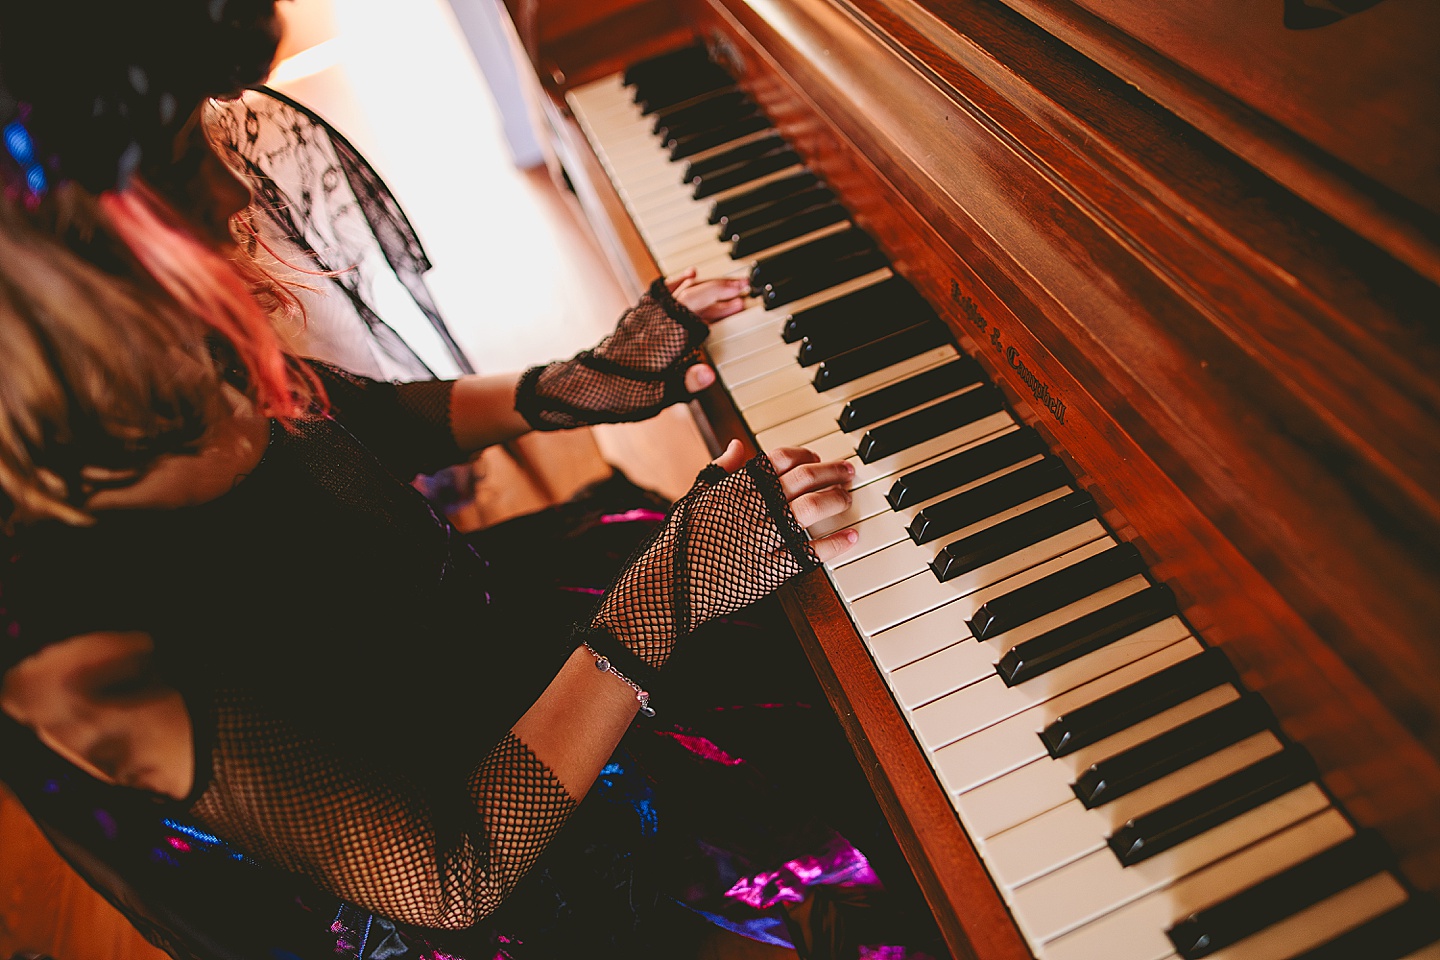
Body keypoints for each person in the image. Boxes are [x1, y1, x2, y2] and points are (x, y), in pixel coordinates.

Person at [0, 3, 950, 959]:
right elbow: (448, 875)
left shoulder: (147, 345)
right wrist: (667, 593)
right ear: (59, 276)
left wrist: (584, 384)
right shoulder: (70, 651)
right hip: (485, 861)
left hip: (470, 644)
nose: (230, 187)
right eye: (176, 166)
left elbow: (348, 424)